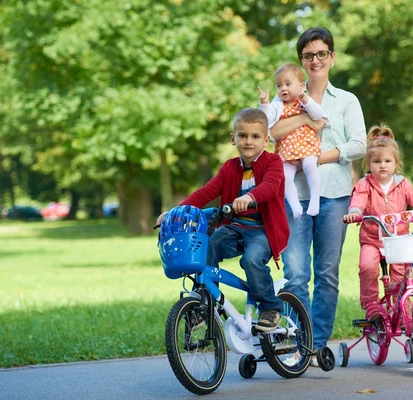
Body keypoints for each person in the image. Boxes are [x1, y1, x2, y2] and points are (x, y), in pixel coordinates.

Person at [269, 26, 366, 359]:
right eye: (308, 55)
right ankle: (300, 340)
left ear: (332, 57)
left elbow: (359, 145)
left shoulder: (347, 101)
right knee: (296, 273)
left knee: (327, 273)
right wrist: (307, 122)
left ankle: (317, 344)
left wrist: (314, 157)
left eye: (321, 53)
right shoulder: (287, 95)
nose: (315, 60)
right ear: (301, 61)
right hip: (294, 194)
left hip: (335, 194)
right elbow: (271, 133)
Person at [155, 108, 289, 332]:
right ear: (233, 138)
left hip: (263, 230)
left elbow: (271, 186)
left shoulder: (273, 162)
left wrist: (250, 196)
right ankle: (205, 304)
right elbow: (207, 192)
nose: (248, 141)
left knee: (251, 260)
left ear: (266, 140)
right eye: (242, 136)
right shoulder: (229, 168)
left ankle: (270, 308)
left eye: (255, 136)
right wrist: (175, 211)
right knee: (208, 246)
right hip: (235, 228)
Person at [343, 124, 413, 321]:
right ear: (368, 164)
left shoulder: (402, 184)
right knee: (367, 267)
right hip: (372, 240)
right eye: (377, 161)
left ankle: (402, 307)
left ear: (396, 163)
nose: (382, 165)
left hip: (399, 240)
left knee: (401, 273)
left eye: (387, 161)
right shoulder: (364, 185)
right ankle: (371, 305)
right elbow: (358, 200)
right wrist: (354, 211)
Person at [258, 63, 325, 220]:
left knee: (310, 166)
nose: (283, 89)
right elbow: (266, 121)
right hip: (286, 148)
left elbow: (318, 115)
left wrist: (306, 101)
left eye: (288, 84)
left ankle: (315, 199)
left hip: (306, 144)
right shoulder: (277, 105)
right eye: (279, 86)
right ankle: (295, 205)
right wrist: (264, 104)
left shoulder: (304, 101)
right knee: (285, 176)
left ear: (301, 86)